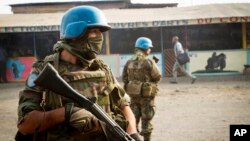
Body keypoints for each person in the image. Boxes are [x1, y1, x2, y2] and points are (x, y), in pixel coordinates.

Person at [16, 6, 141, 141]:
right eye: (94, 31)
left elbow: (124, 105)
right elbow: (25, 125)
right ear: (74, 33)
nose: (99, 38)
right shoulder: (42, 71)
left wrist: (133, 133)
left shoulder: (102, 68)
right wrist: (67, 113)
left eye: (100, 32)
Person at [122, 37, 162, 141]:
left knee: (132, 121)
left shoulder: (129, 61)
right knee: (146, 122)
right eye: (149, 47)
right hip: (146, 98)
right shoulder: (148, 62)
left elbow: (124, 78)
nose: (150, 50)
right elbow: (157, 76)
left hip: (133, 97)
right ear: (145, 48)